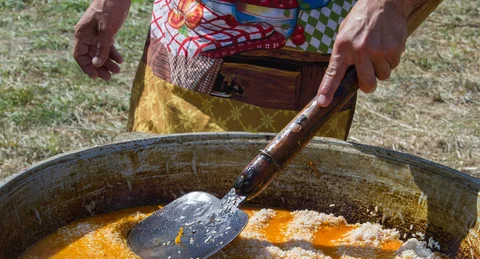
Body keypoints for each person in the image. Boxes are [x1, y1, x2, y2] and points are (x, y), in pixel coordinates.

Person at [73, 0, 431, 138]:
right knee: (155, 193)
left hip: (298, 45)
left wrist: (386, 5)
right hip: (183, 30)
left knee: (280, 226)